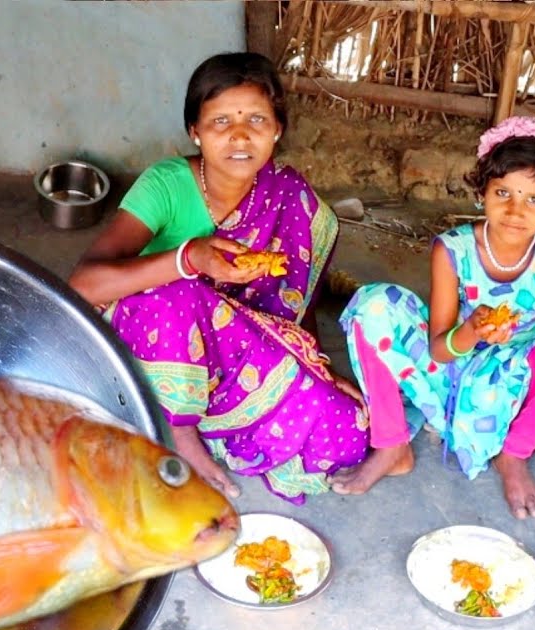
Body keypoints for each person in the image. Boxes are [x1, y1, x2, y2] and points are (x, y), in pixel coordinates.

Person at [67, 52, 369, 505]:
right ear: (195, 131)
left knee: (345, 431)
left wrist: (315, 368)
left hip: (233, 343)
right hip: (153, 334)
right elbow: (84, 286)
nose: (240, 135)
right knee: (179, 294)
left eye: (256, 119)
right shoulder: (166, 184)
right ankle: (181, 429)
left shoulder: (289, 195)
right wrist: (189, 258)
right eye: (220, 121)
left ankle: (206, 415)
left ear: (277, 129)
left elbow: (296, 302)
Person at [334, 116, 535, 519]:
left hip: (525, 366)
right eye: (502, 192)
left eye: (533, 200)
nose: (514, 210)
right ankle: (391, 445)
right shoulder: (452, 249)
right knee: (373, 304)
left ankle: (514, 451)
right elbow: (439, 348)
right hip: (460, 367)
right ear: (482, 191)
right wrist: (471, 332)